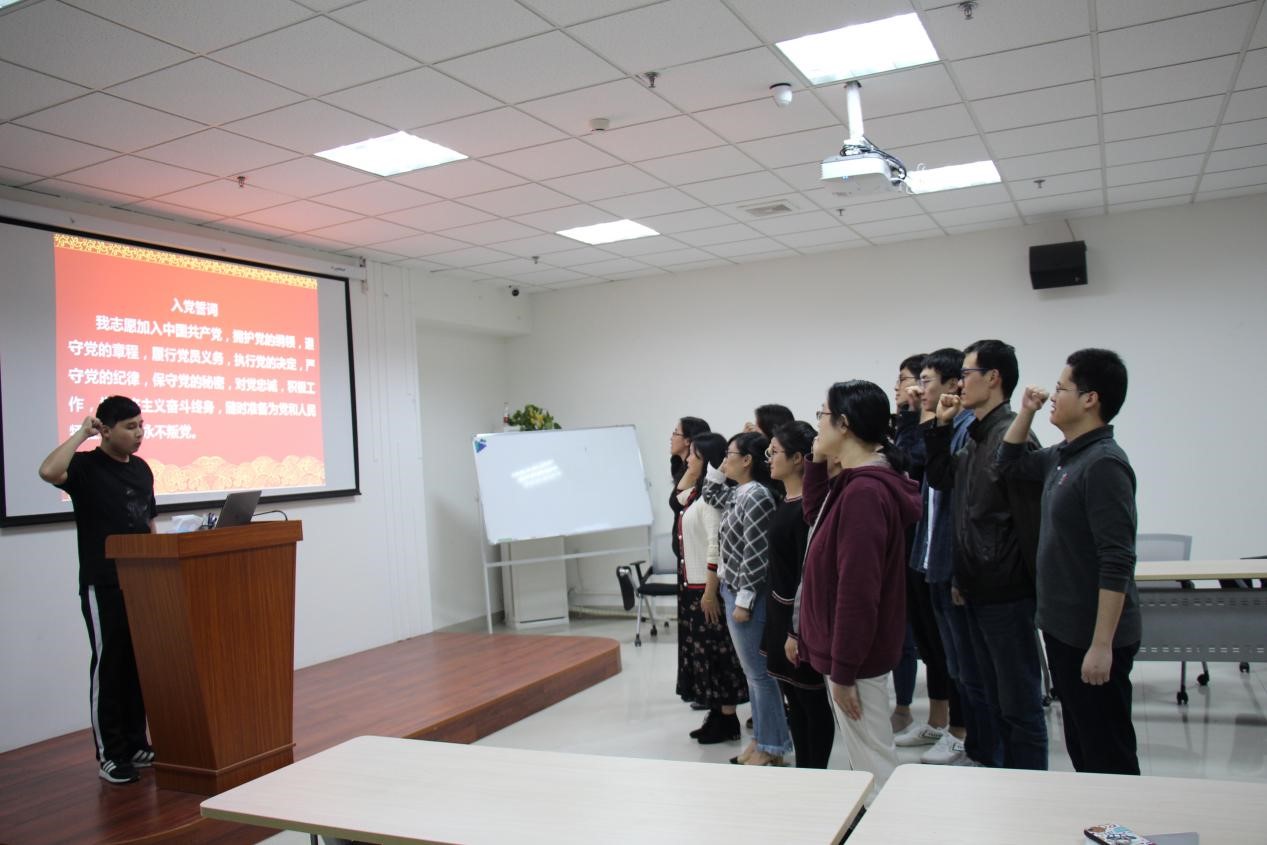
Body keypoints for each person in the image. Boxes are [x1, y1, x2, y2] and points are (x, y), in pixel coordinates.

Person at [997, 349, 1141, 775]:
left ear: (1090, 399)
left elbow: (1117, 560)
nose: (1053, 396)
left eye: (1061, 388)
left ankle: (1124, 816)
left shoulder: (1104, 464)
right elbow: (1008, 464)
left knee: (1107, 750)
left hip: (1092, 636)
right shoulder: (1065, 454)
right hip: (1063, 629)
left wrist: (1102, 645)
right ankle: (1096, 812)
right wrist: (1026, 410)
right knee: (1082, 743)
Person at [795, 381, 922, 798]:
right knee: (865, 761)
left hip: (856, 656)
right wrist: (817, 461)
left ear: (844, 424)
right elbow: (815, 516)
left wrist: (845, 669)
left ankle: (890, 825)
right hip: (848, 652)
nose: (817, 423)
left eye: (822, 414)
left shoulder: (865, 492)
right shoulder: (853, 482)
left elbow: (858, 590)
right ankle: (876, 821)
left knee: (875, 767)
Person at [925, 340, 1047, 770]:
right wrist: (940, 428)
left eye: (967, 374)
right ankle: (1002, 780)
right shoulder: (977, 436)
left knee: (1019, 705)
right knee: (992, 698)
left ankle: (1030, 787)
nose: (960, 383)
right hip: (977, 590)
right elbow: (942, 479)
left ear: (993, 378)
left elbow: (1027, 523)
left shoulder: (1013, 435)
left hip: (1006, 593)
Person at [38, 396, 156, 784]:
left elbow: (148, 522)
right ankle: (111, 754)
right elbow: (48, 471)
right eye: (130, 427)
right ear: (105, 430)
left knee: (138, 664)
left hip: (141, 582)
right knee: (110, 667)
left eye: (141, 425)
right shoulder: (86, 467)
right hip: (103, 582)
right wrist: (81, 434)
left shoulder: (141, 469)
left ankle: (136, 743)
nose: (139, 433)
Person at [905, 347, 994, 767]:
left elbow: (953, 494)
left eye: (925, 381)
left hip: (953, 562)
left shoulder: (963, 430)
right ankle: (955, 730)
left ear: (953, 383)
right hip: (932, 557)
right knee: (948, 657)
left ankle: (964, 734)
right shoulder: (945, 426)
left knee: (965, 664)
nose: (917, 389)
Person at [703, 431, 791, 766]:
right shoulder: (740, 491)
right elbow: (710, 493)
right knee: (752, 674)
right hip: (734, 588)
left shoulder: (756, 496)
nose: (724, 461)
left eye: (730, 454)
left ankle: (773, 746)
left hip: (747, 594)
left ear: (747, 460)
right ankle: (761, 740)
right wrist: (719, 464)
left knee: (760, 675)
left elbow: (756, 554)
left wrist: (744, 601)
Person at [761, 421, 834, 768]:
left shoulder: (808, 508)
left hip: (799, 619)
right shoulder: (785, 500)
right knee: (794, 699)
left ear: (797, 459)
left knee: (811, 701)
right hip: (780, 613)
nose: (769, 458)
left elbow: (806, 576)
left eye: (774, 452)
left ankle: (815, 773)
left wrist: (795, 631)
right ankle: (804, 772)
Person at [677, 432, 749, 744]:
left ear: (706, 458)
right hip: (693, 586)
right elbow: (677, 498)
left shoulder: (710, 500)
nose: (687, 459)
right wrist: (696, 473)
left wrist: (709, 591)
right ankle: (717, 714)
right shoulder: (698, 493)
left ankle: (727, 717)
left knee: (718, 654)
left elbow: (714, 546)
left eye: (693, 455)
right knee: (704, 654)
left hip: (707, 588)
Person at [889, 354, 925, 737]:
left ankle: (907, 708)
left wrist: (912, 419)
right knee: (903, 634)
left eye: (903, 379)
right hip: (902, 546)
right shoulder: (901, 427)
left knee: (912, 637)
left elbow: (911, 466)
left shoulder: (922, 428)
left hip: (919, 548)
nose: (897, 386)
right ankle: (903, 706)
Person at [668, 416, 711, 712]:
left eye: (675, 433)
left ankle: (708, 691)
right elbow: (676, 502)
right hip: (685, 560)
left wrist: (692, 467)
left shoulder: (702, 479)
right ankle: (694, 685)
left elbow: (677, 502)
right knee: (689, 629)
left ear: (689, 441)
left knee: (702, 631)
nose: (670, 438)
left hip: (699, 564)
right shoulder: (680, 468)